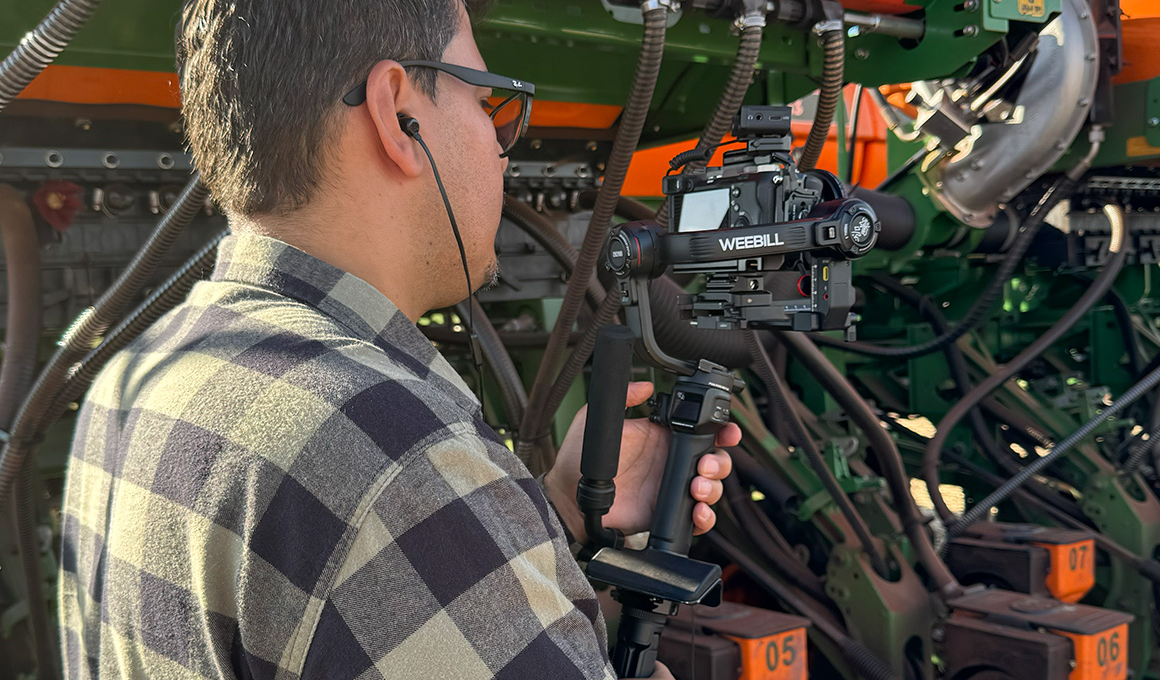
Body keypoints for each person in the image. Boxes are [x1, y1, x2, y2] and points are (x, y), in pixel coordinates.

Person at [58, 0, 740, 678]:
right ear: (396, 113)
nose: (504, 150)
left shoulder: (135, 374)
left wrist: (557, 509)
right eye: (487, 103)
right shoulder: (391, 451)